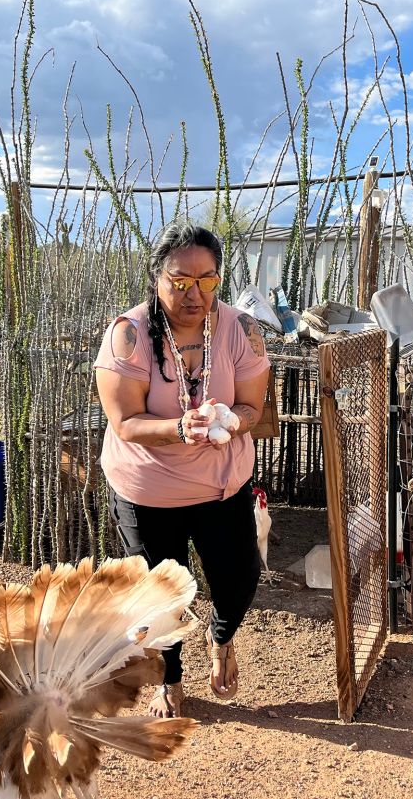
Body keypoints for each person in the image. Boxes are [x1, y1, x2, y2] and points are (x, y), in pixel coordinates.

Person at [93, 221, 270, 718]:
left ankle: (222, 637)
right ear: (157, 278)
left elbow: (256, 406)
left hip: (221, 486)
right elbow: (125, 421)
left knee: (238, 578)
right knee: (159, 595)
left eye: (208, 281)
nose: (195, 294)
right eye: (181, 281)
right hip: (148, 489)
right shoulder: (128, 335)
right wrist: (178, 428)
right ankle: (169, 678)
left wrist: (232, 422)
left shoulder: (241, 329)